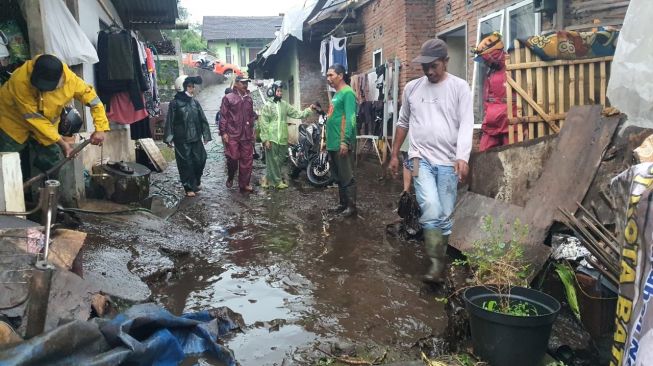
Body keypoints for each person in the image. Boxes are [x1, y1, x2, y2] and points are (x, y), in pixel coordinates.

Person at [389, 38, 474, 283]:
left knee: (445, 214)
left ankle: (440, 256)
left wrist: (462, 156)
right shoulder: (412, 89)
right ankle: (436, 265)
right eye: (425, 66)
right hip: (418, 158)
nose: (429, 71)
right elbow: (403, 123)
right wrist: (395, 154)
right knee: (431, 207)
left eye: (434, 66)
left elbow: (467, 124)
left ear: (446, 62)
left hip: (449, 161)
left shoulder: (459, 88)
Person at [0, 54, 108, 178]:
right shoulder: (19, 80)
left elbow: (94, 102)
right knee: (6, 161)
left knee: (53, 160)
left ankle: (45, 191)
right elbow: (35, 119)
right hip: (12, 121)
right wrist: (62, 143)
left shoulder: (71, 81)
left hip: (47, 126)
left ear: (60, 79)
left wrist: (100, 128)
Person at [258, 81, 316, 189]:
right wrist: (266, 139)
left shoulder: (284, 105)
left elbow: (297, 113)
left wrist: (309, 110)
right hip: (272, 137)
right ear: (272, 92)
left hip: (283, 137)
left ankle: (268, 178)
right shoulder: (268, 106)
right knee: (272, 161)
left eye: (281, 91)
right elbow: (264, 123)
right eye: (278, 91)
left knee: (279, 160)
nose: (280, 93)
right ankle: (277, 182)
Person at [164, 75, 211, 197]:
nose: (192, 89)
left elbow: (203, 119)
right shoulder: (174, 104)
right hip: (182, 139)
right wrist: (169, 138)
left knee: (201, 159)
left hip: (196, 137)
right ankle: (188, 187)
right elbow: (170, 121)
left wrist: (206, 135)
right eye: (189, 87)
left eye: (193, 86)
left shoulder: (195, 103)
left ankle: (196, 181)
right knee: (186, 164)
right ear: (182, 87)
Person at [325, 63, 358, 217]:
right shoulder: (337, 94)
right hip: (333, 142)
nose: (328, 78)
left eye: (331, 75)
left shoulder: (347, 93)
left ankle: (351, 207)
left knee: (347, 175)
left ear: (340, 75)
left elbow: (351, 118)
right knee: (338, 176)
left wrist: (345, 141)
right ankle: (342, 204)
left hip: (341, 142)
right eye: (327, 75)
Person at [472, 32, 513, 151]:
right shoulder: (491, 72)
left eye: (486, 60)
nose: (485, 63)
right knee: (484, 154)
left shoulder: (514, 68)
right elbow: (486, 100)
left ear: (493, 55)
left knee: (512, 156)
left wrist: (525, 126)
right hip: (491, 124)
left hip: (512, 123)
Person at [219, 75, 257, 193]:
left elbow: (251, 117)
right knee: (233, 158)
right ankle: (231, 176)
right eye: (243, 83)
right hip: (232, 134)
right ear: (236, 84)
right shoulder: (228, 98)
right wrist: (223, 132)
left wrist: (253, 131)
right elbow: (223, 116)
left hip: (246, 135)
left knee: (247, 160)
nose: (245, 85)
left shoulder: (249, 99)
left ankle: (244, 184)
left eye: (247, 83)